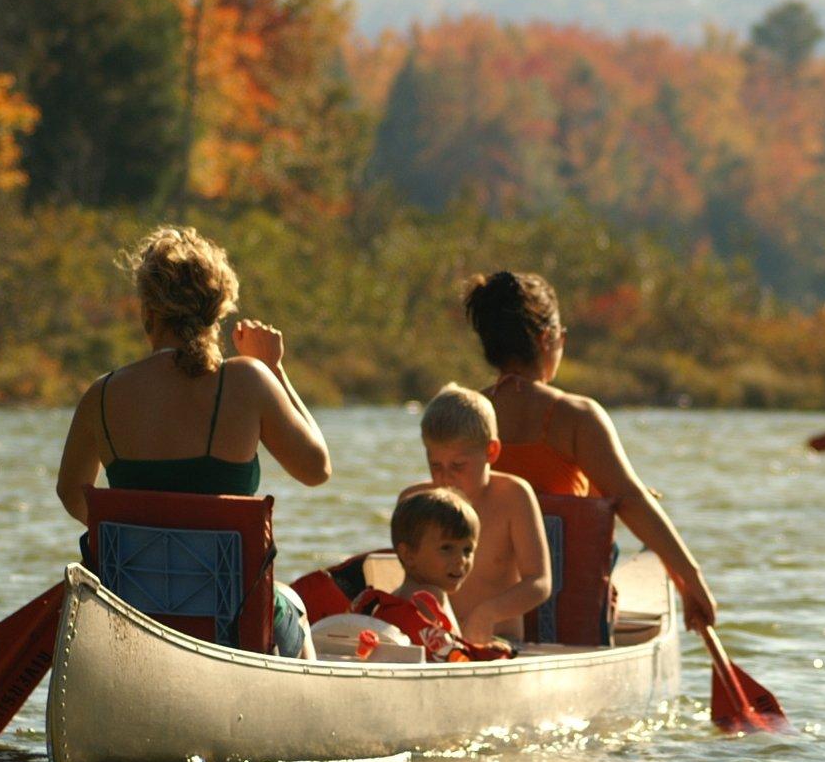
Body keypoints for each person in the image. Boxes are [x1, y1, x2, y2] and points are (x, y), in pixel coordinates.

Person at [55, 226, 331, 657]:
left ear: (148, 312)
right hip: (232, 618)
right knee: (292, 606)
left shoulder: (103, 393)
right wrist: (275, 369)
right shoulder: (247, 379)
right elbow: (317, 469)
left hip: (134, 611)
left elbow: (71, 493)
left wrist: (147, 537)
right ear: (217, 309)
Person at [464, 270, 718, 631]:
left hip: (478, 609)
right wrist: (691, 581)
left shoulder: (466, 411)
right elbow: (631, 501)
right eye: (562, 338)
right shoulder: (575, 417)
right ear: (547, 338)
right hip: (558, 612)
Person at [400, 384, 551, 645]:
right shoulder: (415, 500)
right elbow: (407, 576)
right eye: (435, 465)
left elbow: (540, 582)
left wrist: (489, 612)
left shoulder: (514, 496)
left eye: (458, 465)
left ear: (491, 452)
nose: (445, 477)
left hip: (498, 640)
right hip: (434, 642)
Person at [352, 488, 511, 662]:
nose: (461, 560)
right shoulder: (432, 597)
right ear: (409, 555)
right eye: (447, 548)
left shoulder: (395, 598)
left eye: (467, 550)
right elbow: (454, 658)